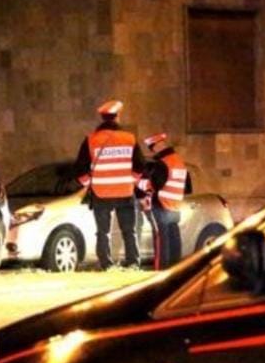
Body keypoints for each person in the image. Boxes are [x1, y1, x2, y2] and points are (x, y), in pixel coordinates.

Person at [73, 100, 145, 270]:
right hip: (125, 192)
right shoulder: (129, 138)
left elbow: (80, 170)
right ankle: (133, 262)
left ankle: (106, 264)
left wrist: (90, 184)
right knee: (129, 231)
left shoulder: (91, 140)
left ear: (102, 118)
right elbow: (140, 166)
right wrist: (130, 181)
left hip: (101, 193)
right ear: (117, 117)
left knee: (103, 232)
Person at [139, 132, 190, 270]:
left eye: (152, 148)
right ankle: (176, 268)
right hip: (175, 205)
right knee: (174, 237)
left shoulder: (163, 163)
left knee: (161, 241)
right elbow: (187, 187)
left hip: (162, 205)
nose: (153, 151)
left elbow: (156, 184)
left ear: (158, 146)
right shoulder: (179, 161)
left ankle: (162, 270)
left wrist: (140, 184)